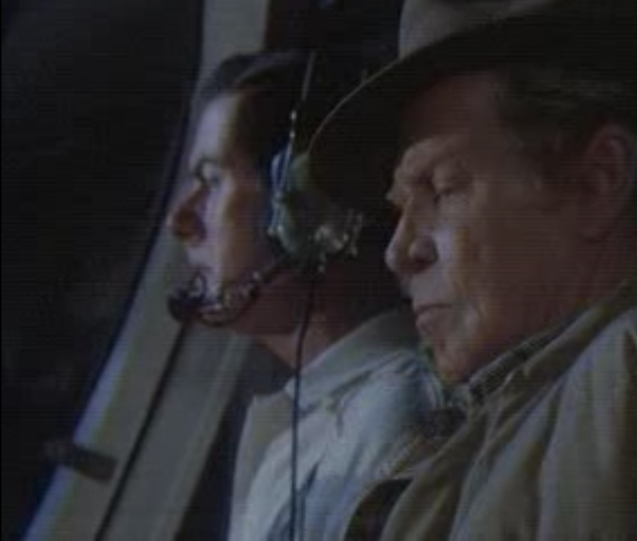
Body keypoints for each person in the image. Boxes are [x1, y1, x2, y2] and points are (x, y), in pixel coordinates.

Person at [307, 0, 637, 539]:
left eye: (443, 187)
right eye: (401, 208)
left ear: (598, 180)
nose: (400, 250)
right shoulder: (486, 430)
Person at [167, 51, 443, 541]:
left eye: (212, 181)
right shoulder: (296, 440)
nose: (181, 221)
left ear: (307, 206)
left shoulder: (399, 422)